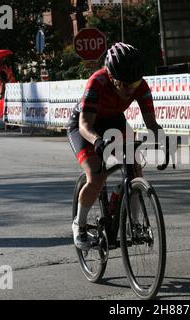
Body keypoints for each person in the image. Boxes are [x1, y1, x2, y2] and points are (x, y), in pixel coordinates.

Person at [67, 42, 165, 250]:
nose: (130, 90)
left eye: (135, 84)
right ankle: (79, 225)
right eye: (124, 84)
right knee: (96, 175)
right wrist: (98, 141)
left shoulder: (140, 86)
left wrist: (165, 143)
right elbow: (85, 126)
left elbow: (152, 124)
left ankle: (133, 220)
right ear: (112, 78)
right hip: (85, 125)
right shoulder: (98, 82)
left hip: (114, 121)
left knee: (135, 171)